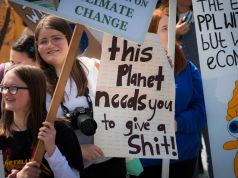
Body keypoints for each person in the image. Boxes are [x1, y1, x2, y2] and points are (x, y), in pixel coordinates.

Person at [34, 15, 126, 178]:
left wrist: (160, 65)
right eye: (43, 41)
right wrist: (78, 150)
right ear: (37, 47)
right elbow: (37, 134)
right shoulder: (35, 83)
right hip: (72, 169)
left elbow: (133, 77)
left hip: (112, 160)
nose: (50, 45)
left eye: (56, 38)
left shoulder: (91, 65)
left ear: (70, 39)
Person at [131, 2, 207, 178]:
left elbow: (201, 110)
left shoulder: (188, 68)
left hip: (184, 156)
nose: (172, 31)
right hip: (147, 160)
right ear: (150, 35)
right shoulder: (132, 72)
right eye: (165, 28)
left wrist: (177, 123)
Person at [0, 65, 84, 178]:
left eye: (13, 88)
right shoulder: (2, 135)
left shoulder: (59, 131)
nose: (5, 93)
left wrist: (52, 150)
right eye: (3, 87)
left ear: (34, 91)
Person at [176, 0, 213, 177]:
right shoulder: (164, 19)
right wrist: (173, 35)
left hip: (213, 90)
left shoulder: (209, 13)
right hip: (184, 95)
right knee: (190, 147)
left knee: (214, 144)